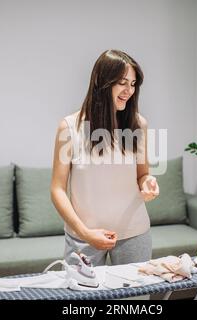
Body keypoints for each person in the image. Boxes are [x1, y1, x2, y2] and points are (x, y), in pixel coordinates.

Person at [50, 49, 159, 267]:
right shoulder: (70, 128)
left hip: (134, 233)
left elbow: (142, 174)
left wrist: (148, 183)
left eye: (133, 84)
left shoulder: (138, 125)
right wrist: (85, 233)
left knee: (135, 300)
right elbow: (57, 189)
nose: (129, 91)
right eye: (122, 82)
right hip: (84, 237)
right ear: (102, 81)